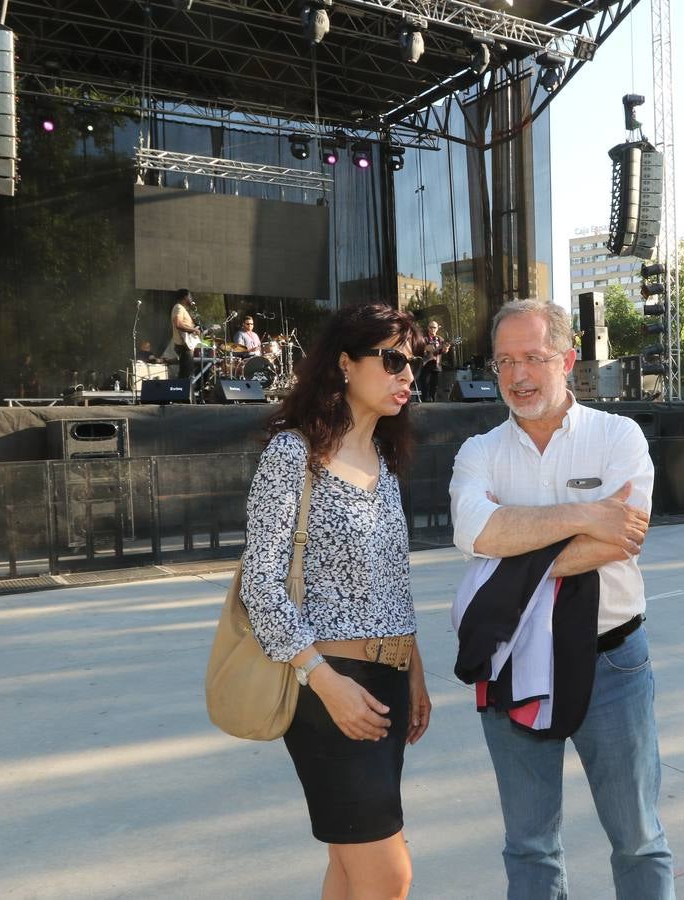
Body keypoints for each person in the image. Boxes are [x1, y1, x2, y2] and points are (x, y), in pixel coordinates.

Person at [449, 298, 674, 900]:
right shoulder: (480, 452)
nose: (517, 376)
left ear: (568, 360)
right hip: (511, 661)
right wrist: (584, 515)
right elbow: (475, 534)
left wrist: (513, 548)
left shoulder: (617, 435)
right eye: (503, 362)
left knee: (638, 839)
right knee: (529, 846)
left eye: (533, 358)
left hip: (613, 663)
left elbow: (624, 538)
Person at [239, 302, 431, 900]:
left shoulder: (387, 466)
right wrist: (322, 679)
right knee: (387, 874)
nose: (408, 375)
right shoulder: (293, 455)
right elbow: (261, 586)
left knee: (350, 870)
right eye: (394, 359)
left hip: (389, 683)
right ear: (345, 364)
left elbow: (393, 582)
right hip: (329, 689)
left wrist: (414, 671)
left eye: (414, 363)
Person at [170, 289, 202, 397]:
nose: (191, 299)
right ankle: (180, 397)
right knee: (185, 375)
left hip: (187, 346)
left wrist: (195, 328)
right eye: (190, 296)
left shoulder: (183, 309)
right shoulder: (178, 307)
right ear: (185, 297)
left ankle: (184, 397)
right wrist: (194, 330)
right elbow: (178, 324)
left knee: (187, 373)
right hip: (183, 346)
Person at [416, 320, 451, 402]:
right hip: (425, 364)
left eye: (434, 327)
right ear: (428, 328)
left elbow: (442, 351)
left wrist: (446, 349)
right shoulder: (423, 339)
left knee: (434, 385)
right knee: (424, 383)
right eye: (431, 327)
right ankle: (424, 400)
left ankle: (433, 400)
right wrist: (424, 348)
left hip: (436, 365)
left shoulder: (440, 339)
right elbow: (417, 349)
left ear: (437, 329)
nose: (432, 329)